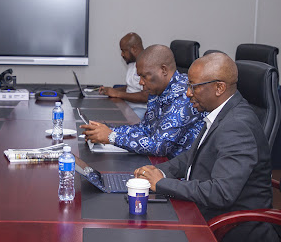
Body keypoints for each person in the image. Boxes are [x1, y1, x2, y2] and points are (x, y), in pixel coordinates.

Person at [134, 53, 277, 241]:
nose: (188, 93)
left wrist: (162, 184)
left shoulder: (237, 126)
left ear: (219, 88)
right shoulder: (219, 112)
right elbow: (191, 157)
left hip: (229, 227)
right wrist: (157, 171)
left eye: (193, 87)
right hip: (205, 211)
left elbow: (221, 193)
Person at [81, 44, 205, 158]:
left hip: (179, 173)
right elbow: (145, 129)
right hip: (162, 162)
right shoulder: (157, 90)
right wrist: (107, 130)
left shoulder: (184, 95)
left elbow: (159, 146)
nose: (140, 82)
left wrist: (111, 137)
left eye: (144, 76)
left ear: (164, 70)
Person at [98, 33, 148, 119]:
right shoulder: (132, 63)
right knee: (103, 114)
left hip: (142, 110)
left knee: (117, 122)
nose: (122, 54)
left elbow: (146, 96)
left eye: (123, 50)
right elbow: (131, 88)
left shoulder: (147, 65)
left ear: (134, 49)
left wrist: (118, 94)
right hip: (128, 105)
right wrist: (111, 90)